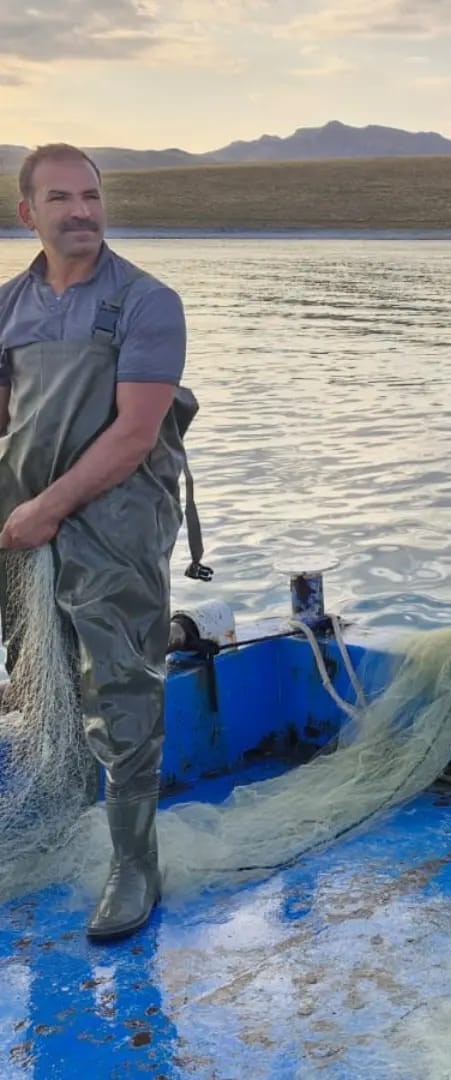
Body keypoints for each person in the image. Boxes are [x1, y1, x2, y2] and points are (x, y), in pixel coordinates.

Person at [0, 143, 206, 939]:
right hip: (22, 518)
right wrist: (22, 513)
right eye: (61, 199)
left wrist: (48, 509)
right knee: (34, 661)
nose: (81, 211)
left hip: (114, 521)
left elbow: (133, 434)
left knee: (121, 682)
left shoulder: (147, 303)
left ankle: (134, 864)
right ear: (29, 214)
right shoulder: (8, 307)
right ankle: (53, 812)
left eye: (90, 195)